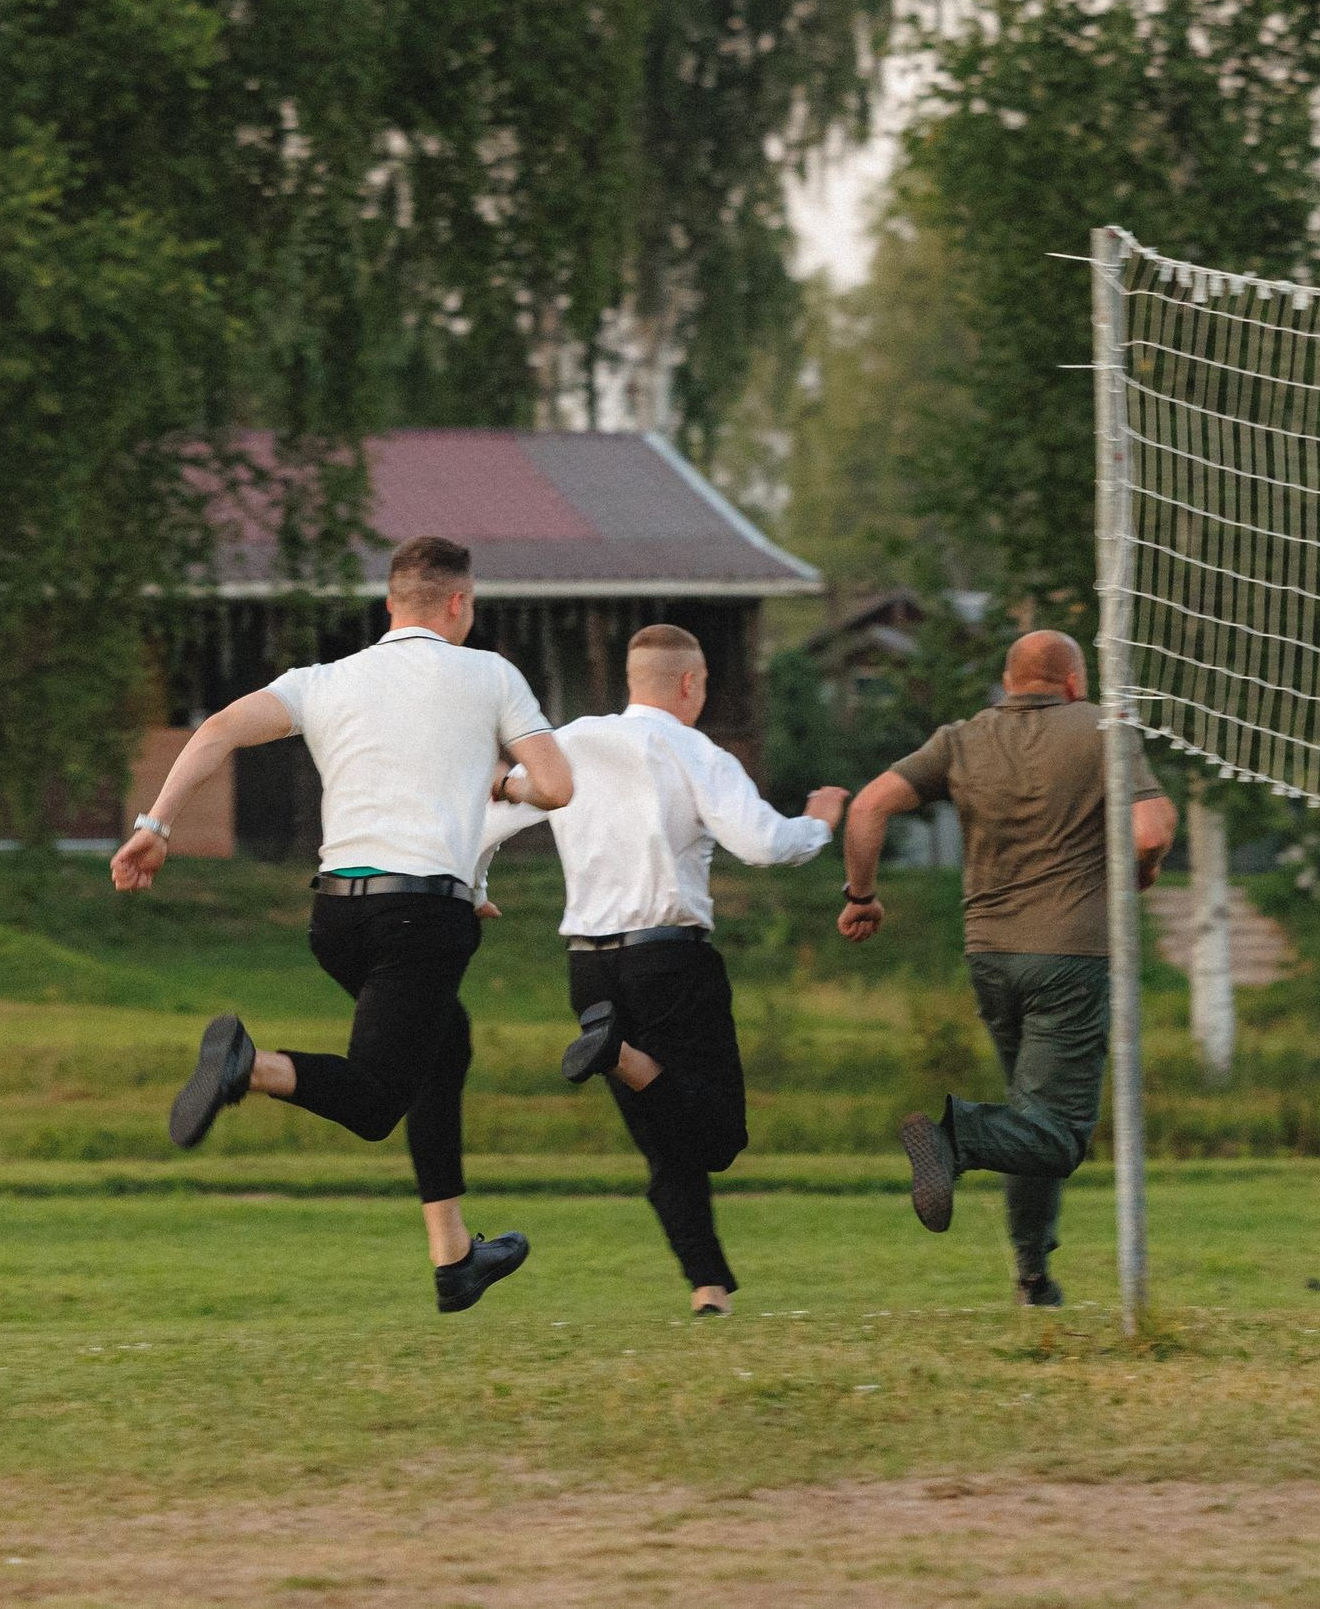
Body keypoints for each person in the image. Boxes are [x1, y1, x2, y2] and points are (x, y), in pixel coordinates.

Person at [110, 536, 574, 1314]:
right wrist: (503, 783)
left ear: (391, 604)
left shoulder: (324, 680)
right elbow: (556, 786)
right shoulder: (490, 675)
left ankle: (455, 1258)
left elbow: (218, 728)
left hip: (335, 918)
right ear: (459, 602)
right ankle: (249, 1067)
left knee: (443, 1043)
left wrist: (155, 826)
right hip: (420, 916)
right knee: (375, 1102)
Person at [479, 625, 846, 1317]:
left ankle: (709, 1290)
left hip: (588, 970)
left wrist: (473, 886)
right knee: (719, 1138)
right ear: (689, 683)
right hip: (668, 959)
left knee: (666, 1148)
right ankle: (617, 1054)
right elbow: (763, 844)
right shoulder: (694, 751)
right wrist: (819, 822)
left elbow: (490, 814)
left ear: (631, 680)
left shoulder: (569, 743)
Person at [838, 630, 1178, 1305]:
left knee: (1030, 1121)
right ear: (1074, 682)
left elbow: (868, 806)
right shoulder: (1104, 729)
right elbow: (1151, 830)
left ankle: (1032, 1275)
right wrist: (1142, 870)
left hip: (989, 955)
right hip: (1071, 958)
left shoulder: (960, 739)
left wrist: (862, 896)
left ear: (1009, 680)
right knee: (1058, 1136)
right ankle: (954, 1138)